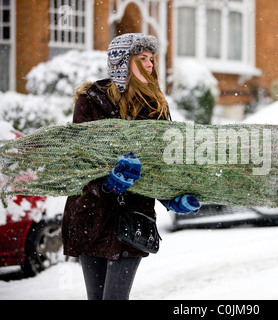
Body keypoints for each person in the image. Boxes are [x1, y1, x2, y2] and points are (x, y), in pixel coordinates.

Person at [61, 33, 200, 300]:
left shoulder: (155, 106)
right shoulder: (90, 101)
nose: (150, 65)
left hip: (132, 218)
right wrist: (107, 184)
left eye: (151, 59)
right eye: (142, 58)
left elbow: (161, 163)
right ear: (122, 63)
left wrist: (172, 197)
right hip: (91, 214)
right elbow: (78, 161)